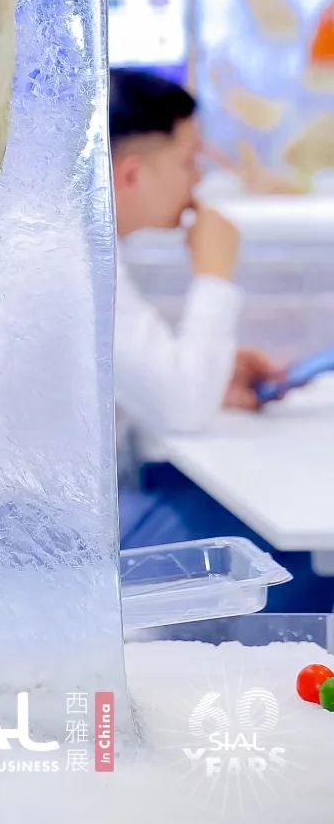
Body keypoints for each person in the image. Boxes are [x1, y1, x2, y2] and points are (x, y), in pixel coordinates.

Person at [112, 67, 334, 609]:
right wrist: (215, 274)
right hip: (52, 544)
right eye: (189, 161)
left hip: (53, 522)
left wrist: (214, 375)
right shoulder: (77, 264)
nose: (198, 183)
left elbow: (148, 379)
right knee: (291, 564)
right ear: (131, 174)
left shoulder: (77, 250)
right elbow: (183, 406)